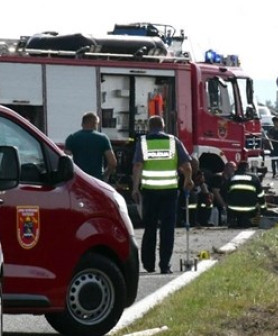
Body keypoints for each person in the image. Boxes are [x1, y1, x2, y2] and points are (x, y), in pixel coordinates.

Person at [131, 115, 193, 274]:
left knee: (149, 228)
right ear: (163, 126)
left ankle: (148, 264)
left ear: (149, 127)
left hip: (150, 192)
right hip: (169, 192)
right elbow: (187, 165)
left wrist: (135, 188)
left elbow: (137, 165)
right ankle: (164, 265)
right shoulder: (173, 141)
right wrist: (188, 180)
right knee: (167, 229)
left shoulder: (143, 142)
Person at [64, 112, 117, 180]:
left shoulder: (72, 138)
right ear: (95, 124)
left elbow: (66, 162)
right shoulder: (103, 138)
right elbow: (112, 163)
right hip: (96, 179)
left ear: (82, 124)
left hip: (79, 179)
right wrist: (105, 175)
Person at [225, 161, 265, 228]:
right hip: (249, 208)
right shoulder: (254, 178)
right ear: (247, 168)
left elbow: (225, 192)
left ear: (237, 168)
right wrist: (263, 209)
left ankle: (232, 220)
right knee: (247, 222)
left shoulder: (232, 178)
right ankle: (246, 221)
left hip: (233, 208)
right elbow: (260, 195)